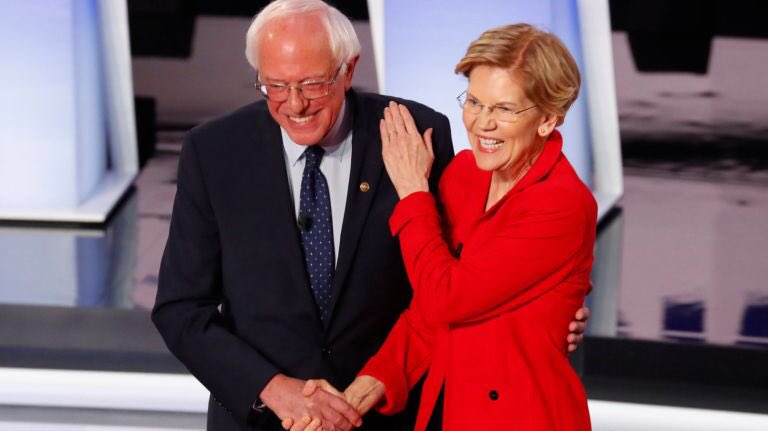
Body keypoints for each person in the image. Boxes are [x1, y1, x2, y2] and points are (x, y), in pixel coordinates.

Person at [151, 0, 589, 429]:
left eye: (312, 84)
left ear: (348, 70)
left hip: (411, 418)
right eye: (276, 86)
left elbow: (443, 286)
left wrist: (545, 309)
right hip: (272, 417)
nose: (295, 104)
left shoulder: (416, 136)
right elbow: (180, 308)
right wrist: (282, 389)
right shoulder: (214, 150)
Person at [303, 23, 596, 431]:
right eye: (474, 102)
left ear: (547, 119)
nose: (482, 123)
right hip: (448, 411)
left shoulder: (562, 204)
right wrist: (368, 386)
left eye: (504, 109)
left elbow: (447, 298)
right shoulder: (462, 175)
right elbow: (428, 310)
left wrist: (413, 192)